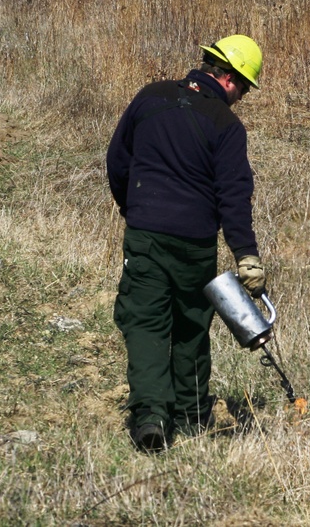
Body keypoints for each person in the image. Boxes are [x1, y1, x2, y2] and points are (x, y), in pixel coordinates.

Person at [106, 34, 267, 453]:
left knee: (145, 322)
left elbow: (117, 161)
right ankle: (192, 415)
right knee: (192, 326)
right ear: (230, 79)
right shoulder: (226, 125)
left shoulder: (150, 97)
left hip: (145, 233)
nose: (242, 97)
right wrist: (245, 255)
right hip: (195, 242)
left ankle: (151, 417)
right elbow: (233, 195)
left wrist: (135, 209)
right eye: (245, 88)